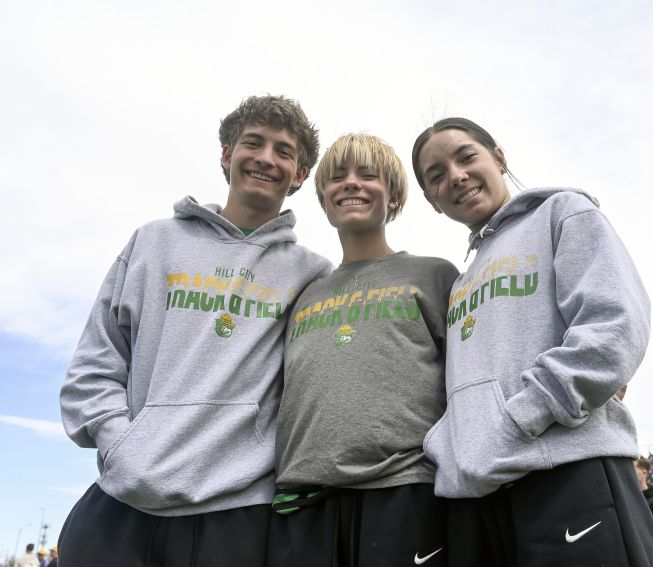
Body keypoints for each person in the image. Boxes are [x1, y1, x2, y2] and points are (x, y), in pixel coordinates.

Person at [57, 95, 333, 566]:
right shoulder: (153, 241)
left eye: (284, 151)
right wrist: (120, 444)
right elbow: (94, 365)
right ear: (227, 155)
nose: (266, 158)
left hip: (237, 513)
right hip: (123, 501)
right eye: (253, 143)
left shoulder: (314, 275)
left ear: (300, 174)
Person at [411, 118, 653, 566]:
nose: (456, 176)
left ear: (499, 158)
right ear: (432, 200)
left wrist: (524, 414)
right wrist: (450, 445)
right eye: (437, 175)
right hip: (483, 489)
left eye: (466, 157)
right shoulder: (462, 280)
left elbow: (614, 325)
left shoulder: (563, 212)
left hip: (571, 475)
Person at [267, 133, 458, 566]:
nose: (351, 183)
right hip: (302, 502)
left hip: (404, 492)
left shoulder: (435, 276)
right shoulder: (302, 293)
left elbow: (480, 362)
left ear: (393, 197)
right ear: (323, 199)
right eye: (337, 178)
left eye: (367, 175)